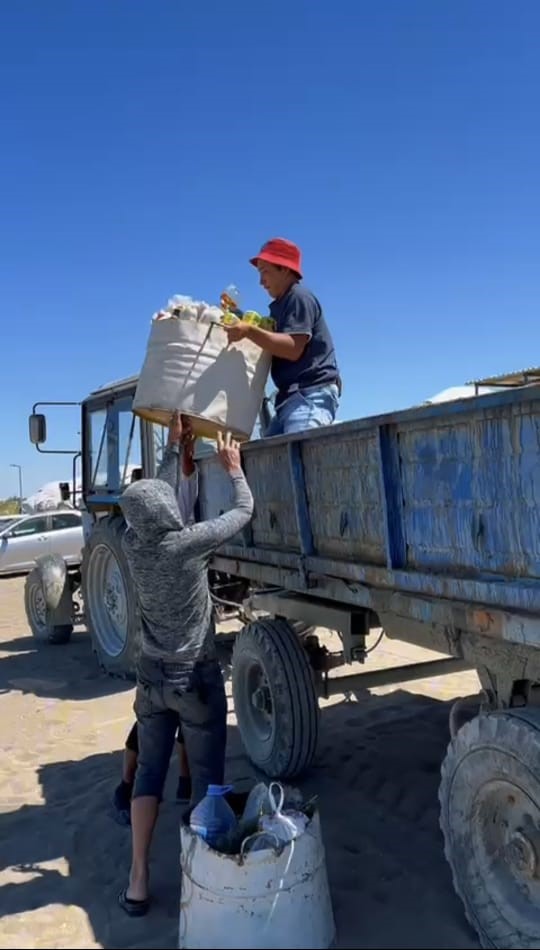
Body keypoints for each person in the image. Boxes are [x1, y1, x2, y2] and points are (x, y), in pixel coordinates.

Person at [117, 412, 254, 916]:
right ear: (166, 511)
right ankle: (202, 883)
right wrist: (233, 468)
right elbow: (244, 511)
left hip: (151, 678)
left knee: (148, 775)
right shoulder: (188, 544)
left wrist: (175, 449)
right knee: (206, 781)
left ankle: (138, 879)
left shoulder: (133, 544)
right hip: (194, 675)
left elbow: (153, 500)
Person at [112, 420, 198, 825]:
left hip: (157, 655)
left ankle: (153, 785)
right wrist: (174, 447)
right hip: (174, 652)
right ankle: (133, 785)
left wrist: (178, 452)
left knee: (158, 721)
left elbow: (174, 492)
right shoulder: (167, 541)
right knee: (166, 722)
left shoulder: (136, 541)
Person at [223, 237, 341, 436]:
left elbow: (293, 348)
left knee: (298, 449)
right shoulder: (281, 305)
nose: (261, 281)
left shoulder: (298, 297)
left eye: (264, 272)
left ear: (284, 269)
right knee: (268, 453)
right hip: (290, 400)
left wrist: (249, 331)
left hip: (309, 394)